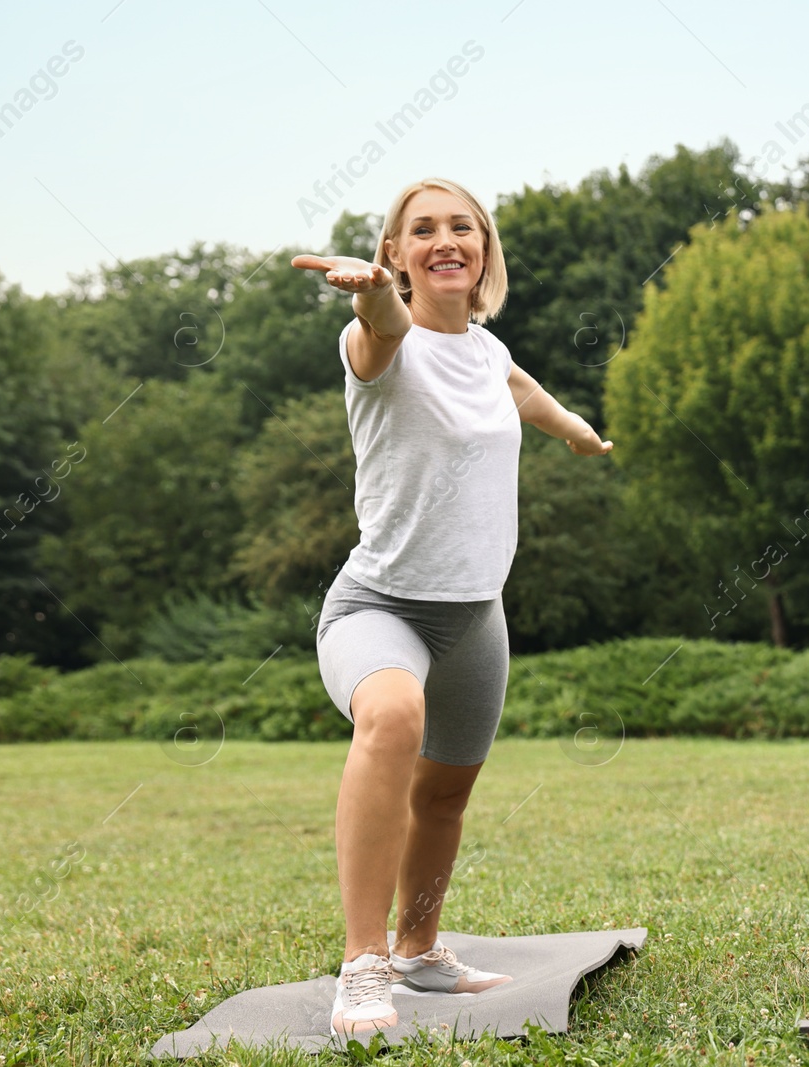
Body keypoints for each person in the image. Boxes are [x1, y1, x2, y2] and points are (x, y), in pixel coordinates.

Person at [291, 177, 613, 1036]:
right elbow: (382, 330)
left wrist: (576, 427)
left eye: (461, 227)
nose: (445, 240)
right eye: (421, 230)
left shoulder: (485, 350)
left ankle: (418, 948)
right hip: (380, 605)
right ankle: (363, 967)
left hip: (474, 614)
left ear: (483, 250)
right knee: (393, 715)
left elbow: (521, 392)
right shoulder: (378, 344)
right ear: (395, 254)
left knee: (445, 796)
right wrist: (371, 300)